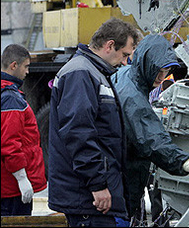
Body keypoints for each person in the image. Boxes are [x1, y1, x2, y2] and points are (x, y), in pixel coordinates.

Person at [112, 34, 189, 224]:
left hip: (118, 177)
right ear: (145, 63)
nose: (161, 77)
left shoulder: (126, 75)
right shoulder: (132, 97)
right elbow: (151, 140)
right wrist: (188, 163)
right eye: (157, 70)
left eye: (165, 71)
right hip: (121, 185)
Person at [48, 18, 139, 227]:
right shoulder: (81, 73)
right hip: (87, 198)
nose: (125, 62)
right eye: (124, 55)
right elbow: (79, 133)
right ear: (109, 45)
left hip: (89, 197)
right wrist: (97, 185)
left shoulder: (93, 72)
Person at [1, 44, 47, 216]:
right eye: (26, 66)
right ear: (14, 65)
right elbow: (9, 144)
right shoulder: (11, 99)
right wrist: (22, 178)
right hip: (11, 189)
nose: (27, 72)